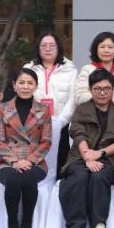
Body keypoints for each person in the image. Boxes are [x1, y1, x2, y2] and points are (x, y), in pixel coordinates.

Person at [58, 68, 114, 228]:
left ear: (113, 89)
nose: (102, 92)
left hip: (109, 159)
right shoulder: (82, 109)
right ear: (90, 90)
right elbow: (78, 133)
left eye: (106, 88)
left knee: (99, 175)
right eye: (97, 89)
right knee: (79, 175)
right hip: (80, 156)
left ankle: (99, 226)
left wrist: (99, 154)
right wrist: (87, 156)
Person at [0, 69, 52, 228]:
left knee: (29, 178)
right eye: (22, 83)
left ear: (36, 86)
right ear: (14, 85)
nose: (26, 87)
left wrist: (29, 161)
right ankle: (12, 223)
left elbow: (46, 141)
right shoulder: (1, 109)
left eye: (30, 83)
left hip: (36, 162)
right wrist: (15, 161)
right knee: (14, 178)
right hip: (6, 162)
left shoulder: (44, 110)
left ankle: (27, 223)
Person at [23, 32, 78, 169]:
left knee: (60, 162)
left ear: (58, 48)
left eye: (52, 45)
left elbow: (73, 99)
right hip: (35, 125)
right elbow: (24, 95)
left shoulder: (70, 70)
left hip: (62, 125)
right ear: (38, 48)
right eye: (44, 45)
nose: (48, 49)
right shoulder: (28, 69)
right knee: (36, 162)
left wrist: (60, 122)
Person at [63, 32, 114, 122]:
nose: (106, 50)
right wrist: (104, 101)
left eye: (110, 47)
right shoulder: (87, 69)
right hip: (91, 120)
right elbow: (79, 96)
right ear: (96, 49)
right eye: (102, 47)